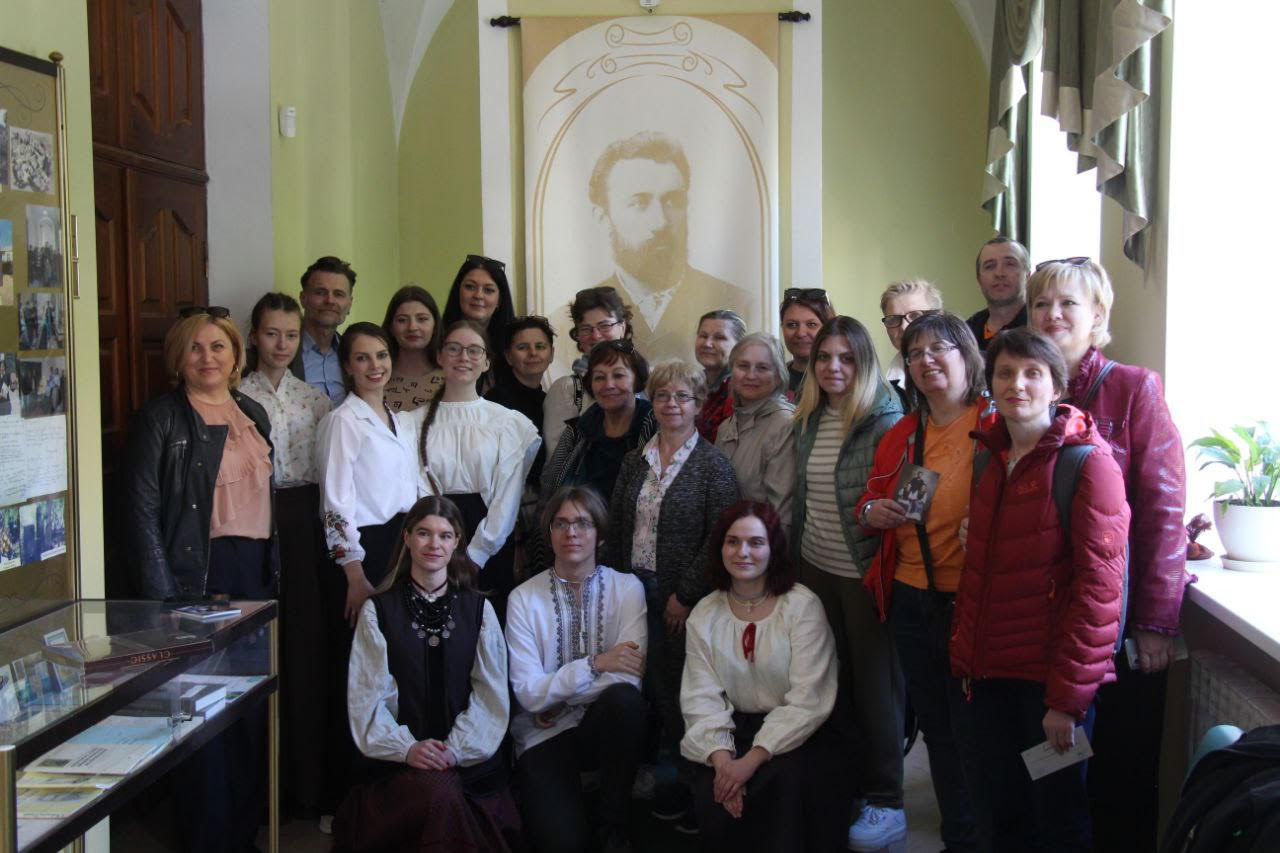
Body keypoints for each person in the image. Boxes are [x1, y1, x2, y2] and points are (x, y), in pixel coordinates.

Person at [1027, 257, 1188, 852]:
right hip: (1047, 615)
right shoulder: (1023, 386)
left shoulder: (1134, 387)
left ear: (1097, 315)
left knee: (1119, 770)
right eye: (1042, 303)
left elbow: (1164, 510)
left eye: (1067, 303)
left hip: (1117, 618)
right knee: (1054, 765)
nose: (1053, 314)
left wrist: (1154, 623)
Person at [951, 327, 1129, 852]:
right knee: (1003, 815)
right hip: (989, 680)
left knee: (1057, 820)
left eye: (1033, 373)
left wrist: (1066, 703)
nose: (1017, 384)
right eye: (1005, 373)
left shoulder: (1088, 463)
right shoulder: (989, 456)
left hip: (1050, 691)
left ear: (1057, 386)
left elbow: (1099, 596)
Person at [123, 306, 277, 853]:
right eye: (195, 347)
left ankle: (242, 833)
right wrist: (165, 599)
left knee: (247, 711)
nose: (207, 357)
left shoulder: (253, 411)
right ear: (177, 358)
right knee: (201, 713)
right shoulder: (159, 419)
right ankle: (207, 840)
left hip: (253, 574)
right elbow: (141, 513)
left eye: (218, 347)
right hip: (196, 577)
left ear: (236, 356)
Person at [857, 311, 995, 853]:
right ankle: (959, 833)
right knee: (937, 726)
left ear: (967, 355)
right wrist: (873, 512)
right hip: (912, 596)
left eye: (939, 348)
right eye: (915, 354)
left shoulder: (996, 421)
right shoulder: (904, 433)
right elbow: (869, 499)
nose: (926, 360)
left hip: (976, 601)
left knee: (977, 728)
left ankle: (987, 833)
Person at [336, 496, 520, 852]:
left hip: (467, 763)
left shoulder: (479, 609)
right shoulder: (378, 610)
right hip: (397, 765)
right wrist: (407, 749)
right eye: (424, 533)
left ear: (457, 543)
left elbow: (490, 696)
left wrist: (455, 751)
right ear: (407, 538)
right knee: (439, 793)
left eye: (445, 535)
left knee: (446, 791)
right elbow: (367, 699)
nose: (434, 544)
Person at [608, 359, 740, 831]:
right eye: (662, 395)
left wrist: (684, 594)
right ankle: (645, 782)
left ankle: (688, 789)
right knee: (638, 685)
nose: (671, 404)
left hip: (681, 598)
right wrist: (617, 586)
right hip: (632, 591)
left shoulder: (712, 465)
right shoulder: (635, 461)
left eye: (682, 396)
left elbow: (720, 537)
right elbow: (618, 526)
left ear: (698, 404)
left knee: (678, 694)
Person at [791, 315, 906, 852]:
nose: (833, 367)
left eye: (846, 357)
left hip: (863, 573)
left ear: (864, 362)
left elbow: (901, 502)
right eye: (824, 357)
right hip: (815, 569)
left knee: (877, 689)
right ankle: (850, 786)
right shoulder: (811, 417)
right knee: (830, 682)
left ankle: (887, 799)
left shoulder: (885, 418)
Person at [681, 501, 850, 852]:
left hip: (801, 733)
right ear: (720, 548)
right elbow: (700, 698)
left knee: (783, 786)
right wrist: (724, 764)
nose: (743, 552)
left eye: (756, 542)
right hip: (732, 730)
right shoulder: (705, 614)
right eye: (732, 541)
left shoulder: (802, 607)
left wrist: (750, 762)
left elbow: (808, 701)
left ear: (773, 549)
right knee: (712, 792)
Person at [314, 321, 421, 828]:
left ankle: (393, 792)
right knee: (360, 673)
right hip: (364, 554)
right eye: (362, 358)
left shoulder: (398, 419)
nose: (374, 366)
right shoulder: (343, 421)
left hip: (403, 548)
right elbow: (335, 504)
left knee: (396, 672)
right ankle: (344, 800)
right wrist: (354, 574)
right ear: (346, 367)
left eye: (381, 355)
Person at [506, 486, 648, 853]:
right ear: (549, 532)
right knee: (562, 844)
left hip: (598, 724)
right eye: (561, 523)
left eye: (583, 523)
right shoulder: (522, 599)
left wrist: (559, 695)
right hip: (543, 734)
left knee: (625, 702)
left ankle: (613, 822)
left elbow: (628, 676)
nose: (572, 532)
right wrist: (597, 663)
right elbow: (528, 694)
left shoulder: (627, 588)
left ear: (599, 534)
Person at [238, 292, 333, 819]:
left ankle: (306, 785)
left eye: (291, 335)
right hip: (255, 521)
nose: (281, 344)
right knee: (259, 644)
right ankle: (256, 789)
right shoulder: (235, 396)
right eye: (272, 333)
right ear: (254, 336)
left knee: (305, 647)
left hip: (305, 522)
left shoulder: (316, 400)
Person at [415, 321, 540, 620]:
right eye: (454, 349)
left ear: (486, 362)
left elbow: (507, 498)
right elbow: (414, 485)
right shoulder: (411, 422)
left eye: (474, 350)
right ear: (440, 356)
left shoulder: (508, 423)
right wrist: (435, 542)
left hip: (489, 540)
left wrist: (477, 553)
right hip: (430, 537)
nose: (463, 357)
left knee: (486, 623)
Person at [588, 131, 751, 359]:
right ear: (603, 217)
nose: (660, 223)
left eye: (672, 201)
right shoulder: (577, 317)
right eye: (639, 203)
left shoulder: (740, 305)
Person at [715, 332, 796, 532]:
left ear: (778, 375)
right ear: (732, 371)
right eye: (743, 366)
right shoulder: (725, 427)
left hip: (762, 545)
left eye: (762, 368)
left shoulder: (785, 425)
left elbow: (782, 517)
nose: (751, 375)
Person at [543, 285, 633, 455]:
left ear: (622, 327)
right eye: (586, 329)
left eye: (604, 326)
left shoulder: (648, 383)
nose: (596, 335)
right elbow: (559, 458)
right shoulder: (566, 390)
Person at [441, 254, 515, 394]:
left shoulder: (512, 350)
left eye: (488, 290)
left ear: (499, 300)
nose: (478, 295)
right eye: (470, 287)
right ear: (458, 292)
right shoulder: (436, 340)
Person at [293, 255, 357, 404]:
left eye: (338, 294)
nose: (330, 301)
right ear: (303, 298)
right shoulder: (283, 350)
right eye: (320, 292)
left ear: (350, 304)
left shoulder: (352, 353)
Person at [381, 284, 444, 413]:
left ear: (435, 325)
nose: (412, 327)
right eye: (402, 320)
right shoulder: (377, 376)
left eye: (422, 319)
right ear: (391, 327)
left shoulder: (452, 378)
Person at [878, 278, 943, 392]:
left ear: (939, 317)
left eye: (915, 316)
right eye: (893, 319)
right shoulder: (886, 388)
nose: (903, 327)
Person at [966, 237, 1029, 350]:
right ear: (979, 279)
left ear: (1028, 275)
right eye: (990, 266)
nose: (999, 273)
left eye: (1010, 264)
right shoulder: (967, 333)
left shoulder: (1039, 326)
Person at [693, 309, 745, 443]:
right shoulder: (690, 384)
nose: (707, 344)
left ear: (739, 346)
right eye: (703, 336)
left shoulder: (741, 391)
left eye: (719, 337)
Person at [779, 287, 836, 400]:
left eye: (811, 324)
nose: (801, 333)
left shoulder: (840, 381)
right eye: (792, 325)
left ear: (830, 329)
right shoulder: (773, 380)